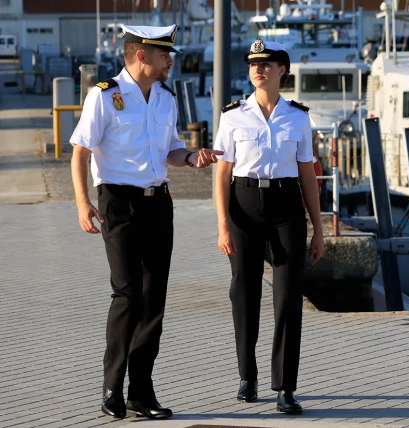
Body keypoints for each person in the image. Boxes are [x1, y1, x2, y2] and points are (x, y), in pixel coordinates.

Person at [69, 24, 223, 420]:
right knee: (127, 295)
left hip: (159, 205)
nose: (170, 60)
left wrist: (192, 157)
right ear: (141, 55)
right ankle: (111, 388)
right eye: (163, 54)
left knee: (154, 300)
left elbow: (171, 150)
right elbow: (81, 152)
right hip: (118, 204)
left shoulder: (166, 99)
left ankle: (141, 391)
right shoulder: (105, 96)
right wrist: (83, 203)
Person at [213, 39, 325, 415]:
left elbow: (307, 173)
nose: (258, 69)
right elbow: (222, 175)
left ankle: (286, 387)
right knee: (243, 292)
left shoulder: (298, 117)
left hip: (286, 206)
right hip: (243, 204)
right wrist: (222, 226)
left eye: (267, 63)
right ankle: (247, 376)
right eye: (253, 64)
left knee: (288, 297)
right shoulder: (233, 116)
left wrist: (318, 228)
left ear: (283, 70)